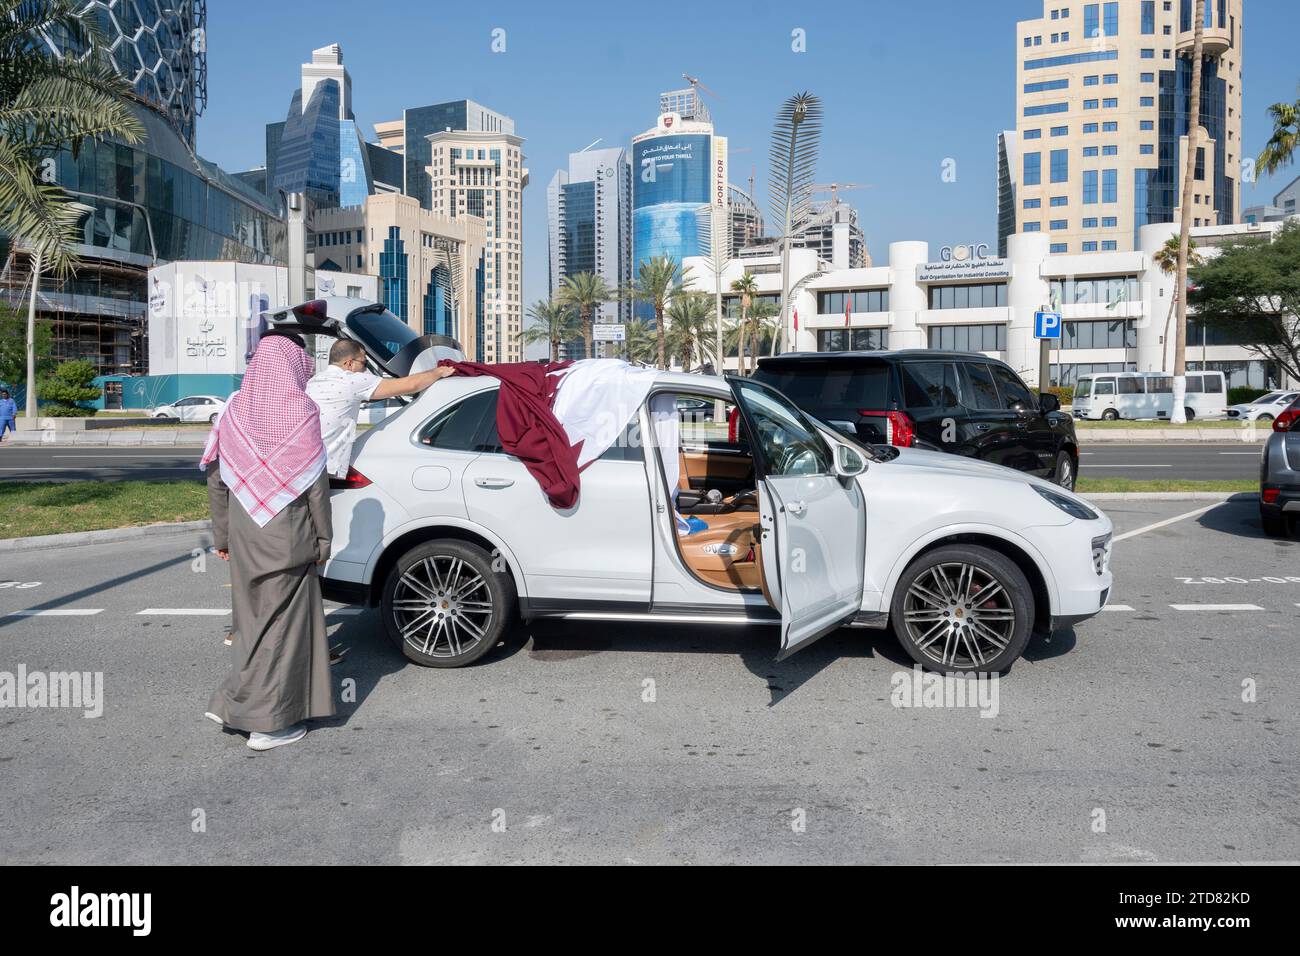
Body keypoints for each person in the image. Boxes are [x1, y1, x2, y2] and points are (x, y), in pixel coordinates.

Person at [201, 333, 335, 751]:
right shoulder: (302, 411)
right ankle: (270, 725)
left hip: (244, 536)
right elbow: (316, 489)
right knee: (282, 631)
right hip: (289, 538)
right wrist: (323, 543)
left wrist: (222, 536)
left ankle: (232, 701)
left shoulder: (234, 411)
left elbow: (217, 481)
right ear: (293, 365)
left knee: (250, 624)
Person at [306, 340, 454, 479]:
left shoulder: (314, 381)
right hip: (323, 467)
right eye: (364, 363)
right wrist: (438, 372)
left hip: (299, 462)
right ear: (349, 363)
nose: (365, 370)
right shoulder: (351, 380)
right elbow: (410, 385)